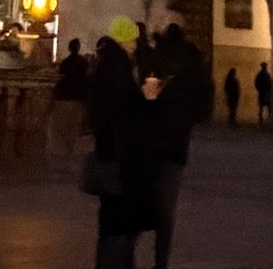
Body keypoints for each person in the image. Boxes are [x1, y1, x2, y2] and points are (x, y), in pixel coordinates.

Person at [85, 18, 159, 269]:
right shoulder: (118, 68)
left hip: (109, 152)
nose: (134, 45)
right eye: (132, 40)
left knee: (112, 224)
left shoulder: (106, 64)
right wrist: (147, 99)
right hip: (119, 158)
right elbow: (123, 112)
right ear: (126, 40)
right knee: (119, 225)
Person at [146, 17, 211, 269]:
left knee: (135, 197)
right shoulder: (194, 65)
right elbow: (203, 108)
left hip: (147, 141)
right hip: (175, 144)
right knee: (166, 205)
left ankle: (124, 251)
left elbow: (143, 97)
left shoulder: (155, 59)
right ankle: (160, 260)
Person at [50, 37, 91, 163]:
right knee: (73, 126)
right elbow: (86, 80)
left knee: (65, 125)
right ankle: (70, 149)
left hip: (65, 97)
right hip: (77, 97)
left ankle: (64, 150)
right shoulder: (83, 62)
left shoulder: (65, 63)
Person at [254, 60, 273, 125]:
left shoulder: (265, 74)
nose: (265, 67)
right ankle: (262, 119)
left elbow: (257, 83)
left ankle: (265, 119)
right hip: (263, 92)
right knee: (264, 106)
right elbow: (257, 83)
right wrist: (261, 89)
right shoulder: (263, 75)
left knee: (265, 106)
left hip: (265, 92)